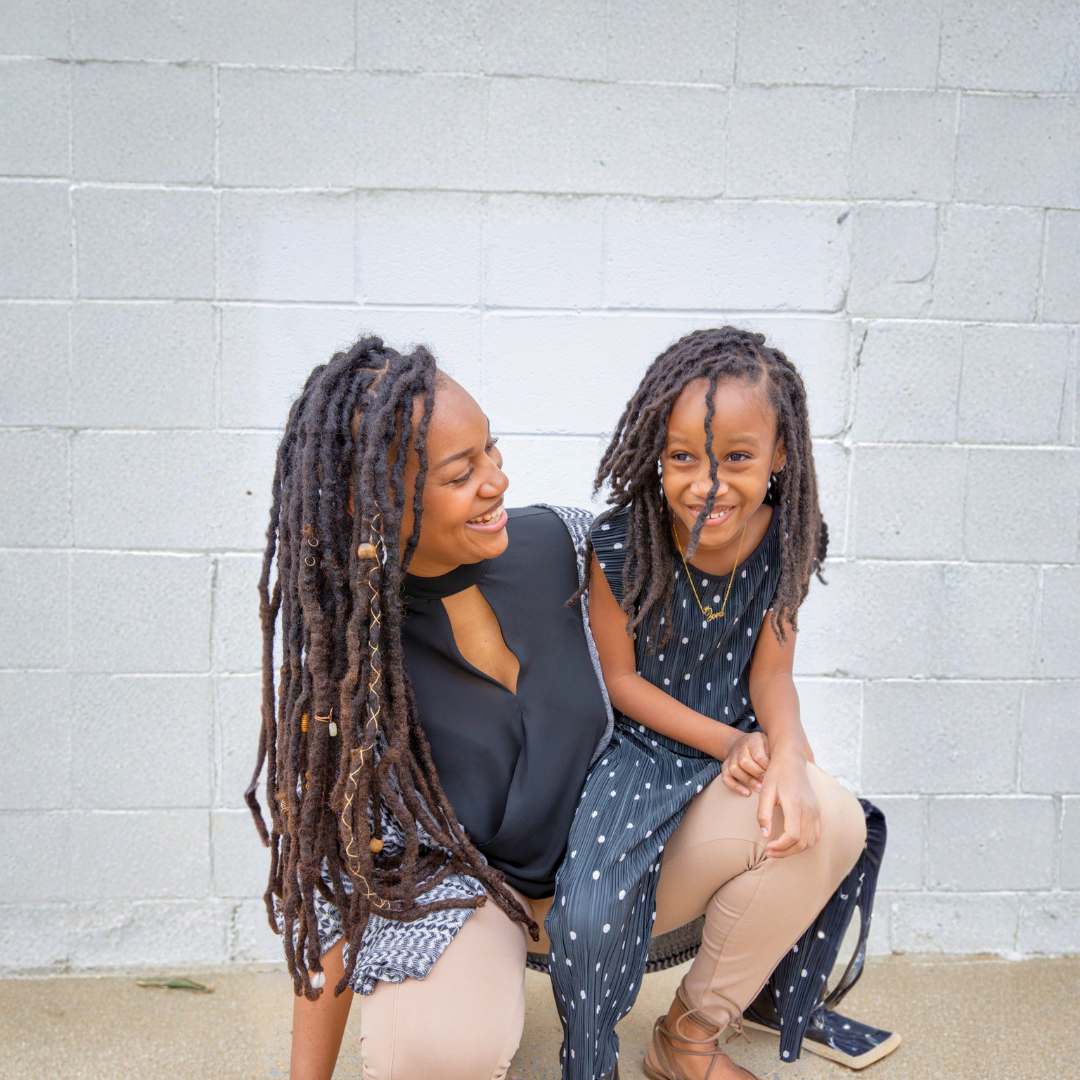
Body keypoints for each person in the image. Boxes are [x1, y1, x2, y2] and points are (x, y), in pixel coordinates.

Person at [244, 335, 614, 1079]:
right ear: (376, 502)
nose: (497, 481)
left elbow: (713, 588)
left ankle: (701, 1031)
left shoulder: (567, 547)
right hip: (467, 892)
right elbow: (331, 880)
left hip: (611, 856)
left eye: (492, 451)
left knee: (809, 819)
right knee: (431, 1051)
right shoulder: (350, 659)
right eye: (461, 472)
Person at [545, 327, 869, 1080]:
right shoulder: (622, 541)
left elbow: (772, 677)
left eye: (738, 458)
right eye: (685, 457)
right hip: (641, 751)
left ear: (780, 454)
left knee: (818, 819)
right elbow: (622, 685)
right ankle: (589, 1061)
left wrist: (786, 754)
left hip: (740, 748)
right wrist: (726, 742)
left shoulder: (790, 537)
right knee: (588, 918)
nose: (709, 486)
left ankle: (690, 1036)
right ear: (657, 451)